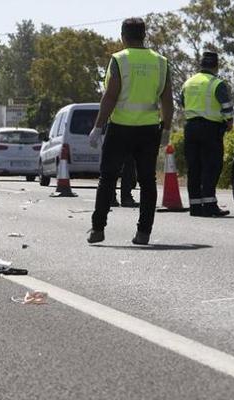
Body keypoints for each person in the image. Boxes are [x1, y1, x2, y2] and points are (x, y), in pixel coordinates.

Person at [88, 18, 173, 245]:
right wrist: (165, 128)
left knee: (107, 178)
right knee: (147, 181)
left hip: (121, 129)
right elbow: (167, 99)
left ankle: (98, 229)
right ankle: (144, 233)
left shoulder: (119, 60)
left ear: (123, 36)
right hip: (148, 130)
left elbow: (111, 96)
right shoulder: (161, 62)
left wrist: (98, 126)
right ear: (144, 35)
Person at [180, 51, 234, 217]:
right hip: (210, 129)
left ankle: (195, 207)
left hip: (190, 128)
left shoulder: (188, 83)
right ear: (216, 66)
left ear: (201, 65)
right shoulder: (217, 83)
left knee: (194, 168)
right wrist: (229, 122)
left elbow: (182, 102)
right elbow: (226, 106)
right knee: (211, 166)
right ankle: (210, 205)